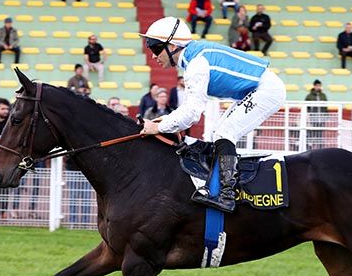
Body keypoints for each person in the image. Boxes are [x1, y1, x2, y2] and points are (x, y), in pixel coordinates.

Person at [139, 16, 286, 212]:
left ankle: (227, 195)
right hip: (258, 88)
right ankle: (216, 188)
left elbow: (192, 114)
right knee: (217, 134)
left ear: (173, 46)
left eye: (157, 49)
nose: (154, 56)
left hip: (266, 90)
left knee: (224, 134)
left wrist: (158, 126)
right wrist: (166, 120)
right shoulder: (194, 57)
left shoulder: (196, 65)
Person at [304, 79, 328, 149]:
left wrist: (325, 116)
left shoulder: (323, 95)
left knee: (320, 134)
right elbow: (306, 108)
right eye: (317, 86)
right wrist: (307, 117)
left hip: (321, 118)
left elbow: (325, 107)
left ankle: (320, 149)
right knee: (310, 133)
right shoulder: (309, 96)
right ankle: (308, 148)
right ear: (314, 86)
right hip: (312, 118)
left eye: (319, 86)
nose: (318, 87)